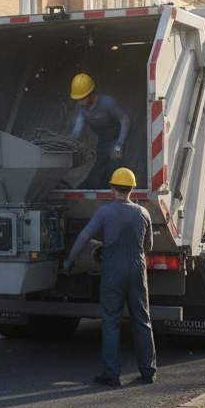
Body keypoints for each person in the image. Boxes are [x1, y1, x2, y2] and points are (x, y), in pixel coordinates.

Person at [63, 167, 155, 386]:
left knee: (111, 322)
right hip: (136, 271)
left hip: (113, 271)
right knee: (142, 320)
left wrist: (70, 260)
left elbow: (84, 238)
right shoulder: (143, 213)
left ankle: (111, 375)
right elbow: (148, 246)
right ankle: (148, 371)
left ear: (112, 188)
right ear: (132, 189)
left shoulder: (103, 213)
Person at [68, 73, 131, 190]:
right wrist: (72, 139)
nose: (79, 102)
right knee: (97, 173)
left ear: (91, 95)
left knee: (114, 169)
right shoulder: (82, 106)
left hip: (118, 138)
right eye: (77, 99)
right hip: (103, 141)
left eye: (82, 98)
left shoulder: (107, 102)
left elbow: (125, 120)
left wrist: (119, 145)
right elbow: (81, 121)